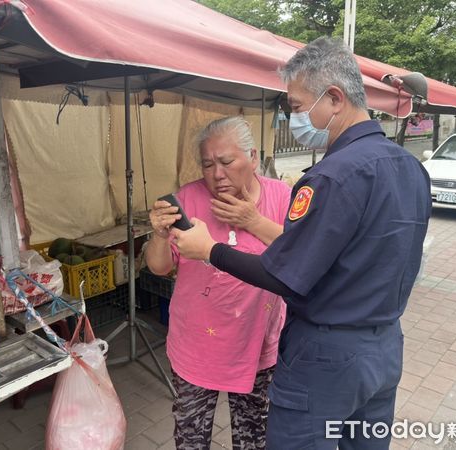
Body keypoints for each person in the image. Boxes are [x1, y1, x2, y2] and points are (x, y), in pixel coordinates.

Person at [172, 37, 432, 449]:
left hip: (327, 353)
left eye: (296, 106)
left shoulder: (331, 177)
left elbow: (287, 276)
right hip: (384, 347)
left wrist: (210, 251)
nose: (293, 117)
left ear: (333, 98)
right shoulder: (411, 169)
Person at [146, 116, 292, 449]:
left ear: (253, 157)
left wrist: (252, 220)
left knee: (253, 437)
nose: (217, 174)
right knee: (191, 438)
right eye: (208, 164)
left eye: (226, 162)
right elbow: (158, 266)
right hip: (197, 348)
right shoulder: (189, 199)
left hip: (257, 345)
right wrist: (158, 233)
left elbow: (300, 256)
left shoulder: (281, 197)